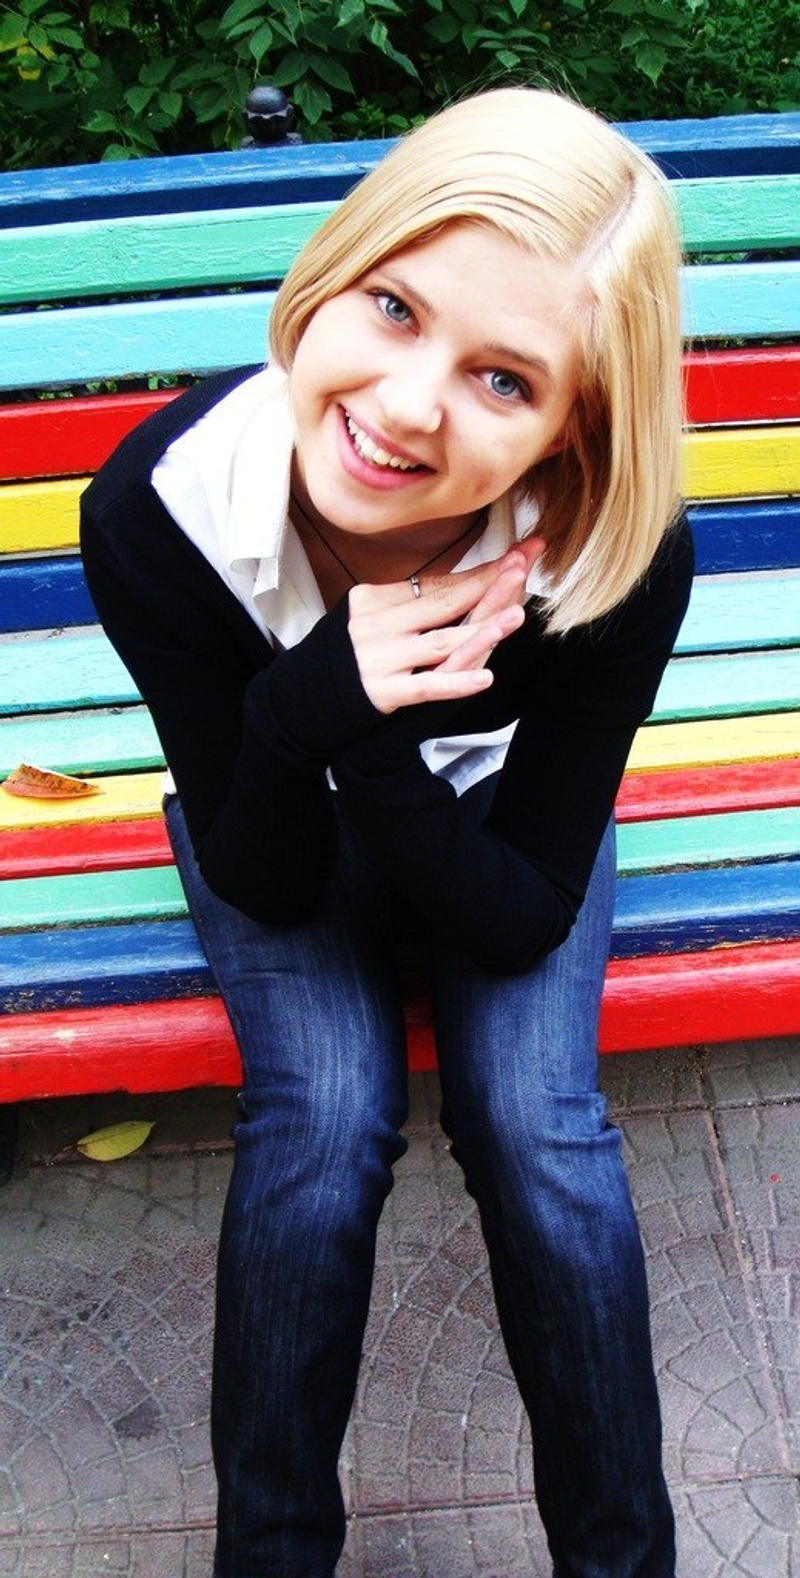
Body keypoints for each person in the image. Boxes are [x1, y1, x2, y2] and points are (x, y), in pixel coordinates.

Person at [80, 85, 694, 1578]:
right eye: (396, 307)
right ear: (338, 268)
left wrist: (373, 734)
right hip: (265, 795)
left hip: (492, 821)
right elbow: (264, 871)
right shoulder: (164, 509)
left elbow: (519, 916)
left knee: (540, 1130)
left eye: (504, 379)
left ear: (572, 427)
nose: (411, 404)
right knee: (321, 1118)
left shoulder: (609, 558)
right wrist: (311, 707)